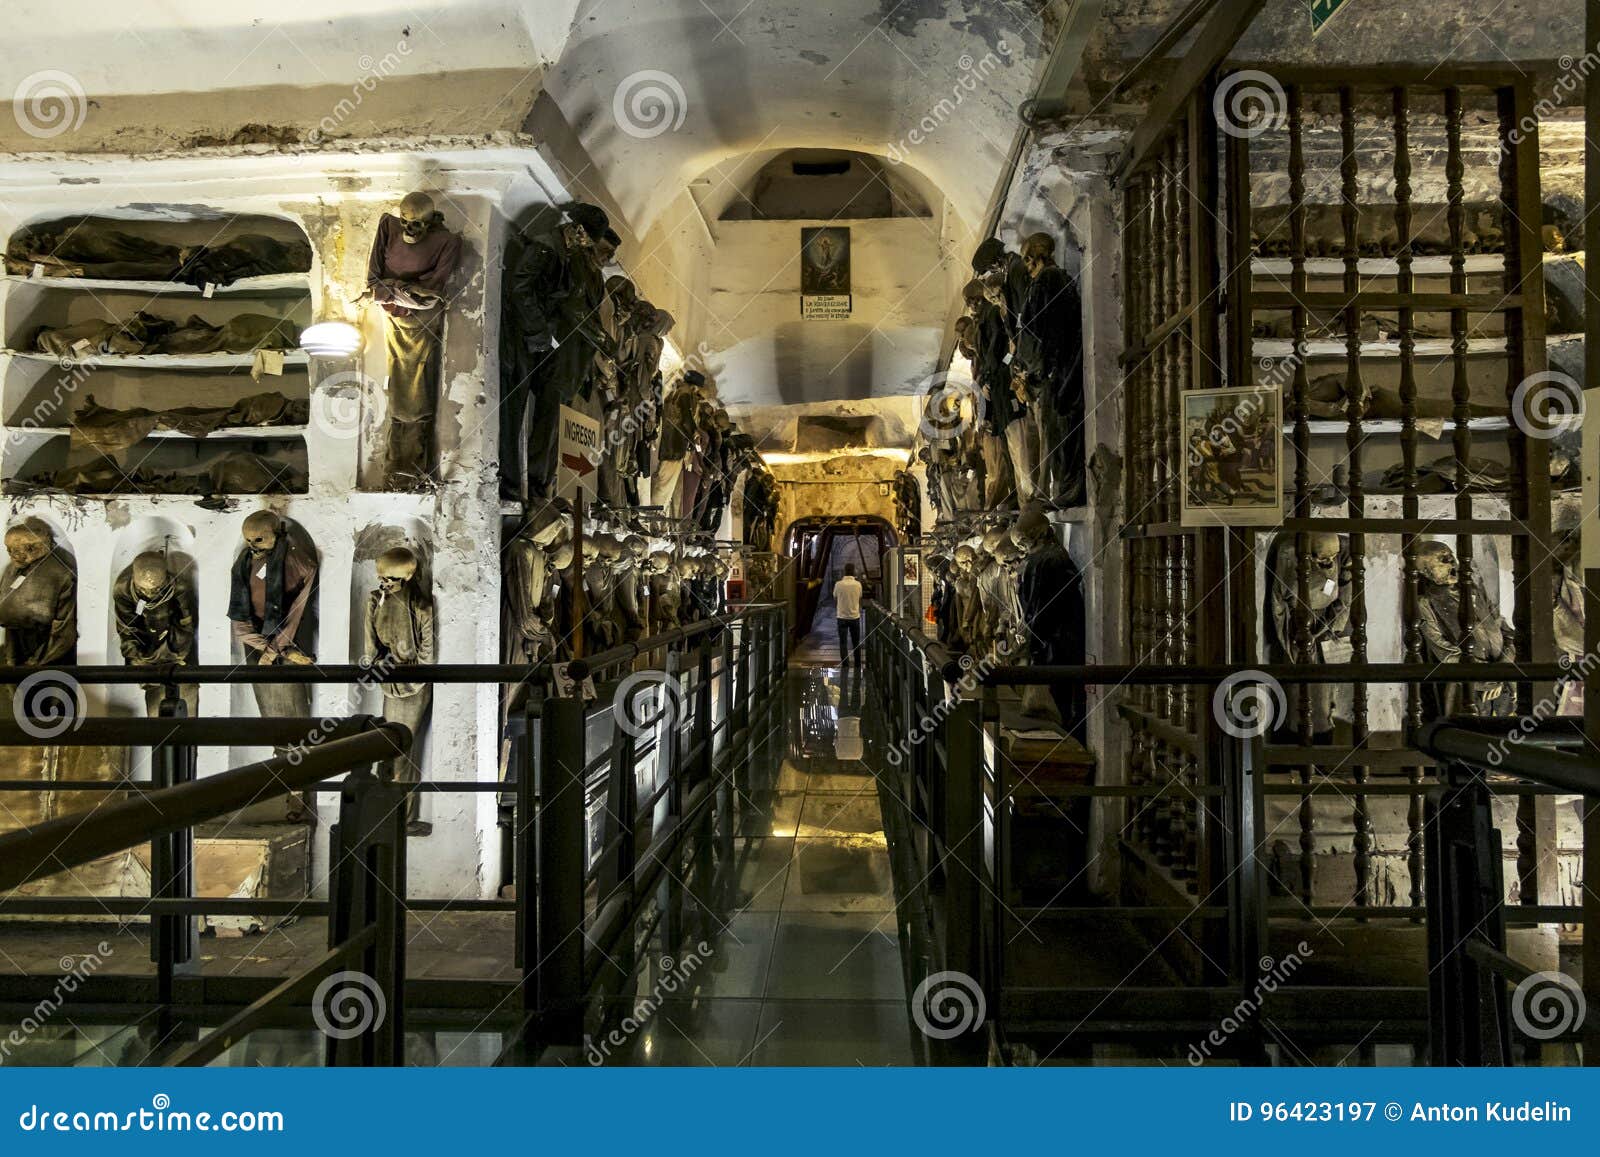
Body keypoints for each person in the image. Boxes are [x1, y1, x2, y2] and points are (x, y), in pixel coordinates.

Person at [834, 564, 864, 670]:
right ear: (854, 572)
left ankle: (845, 664)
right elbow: (860, 598)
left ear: (844, 571)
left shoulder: (838, 584)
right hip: (854, 617)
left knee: (843, 642)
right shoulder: (858, 584)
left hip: (841, 617)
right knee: (856, 642)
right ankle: (857, 664)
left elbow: (835, 598)